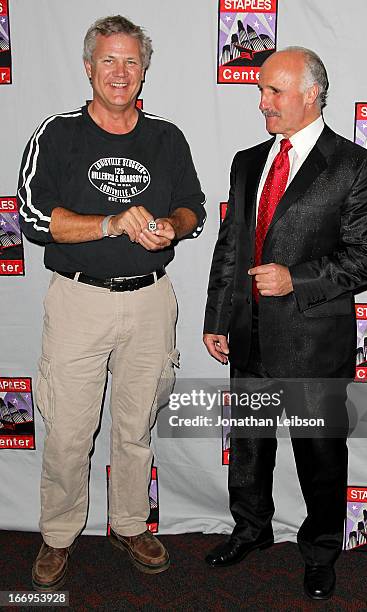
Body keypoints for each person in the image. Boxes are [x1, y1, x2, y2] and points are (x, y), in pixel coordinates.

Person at [18, 15, 205, 592]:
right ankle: (58, 534)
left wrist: (171, 228)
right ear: (88, 67)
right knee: (70, 432)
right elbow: (31, 217)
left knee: (134, 428)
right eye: (109, 60)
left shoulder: (167, 137)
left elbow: (193, 208)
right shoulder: (56, 133)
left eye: (131, 61)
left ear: (144, 68)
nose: (120, 72)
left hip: (151, 302)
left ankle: (128, 523)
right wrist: (109, 223)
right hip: (79, 301)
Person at [203, 47, 367, 600]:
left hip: (314, 342)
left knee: (320, 455)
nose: (261, 102)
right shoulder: (247, 161)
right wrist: (219, 317)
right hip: (249, 336)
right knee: (249, 445)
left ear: (311, 94)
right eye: (260, 90)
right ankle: (251, 530)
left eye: (273, 92)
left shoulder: (358, 166)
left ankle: (320, 552)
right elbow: (231, 248)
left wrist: (298, 279)